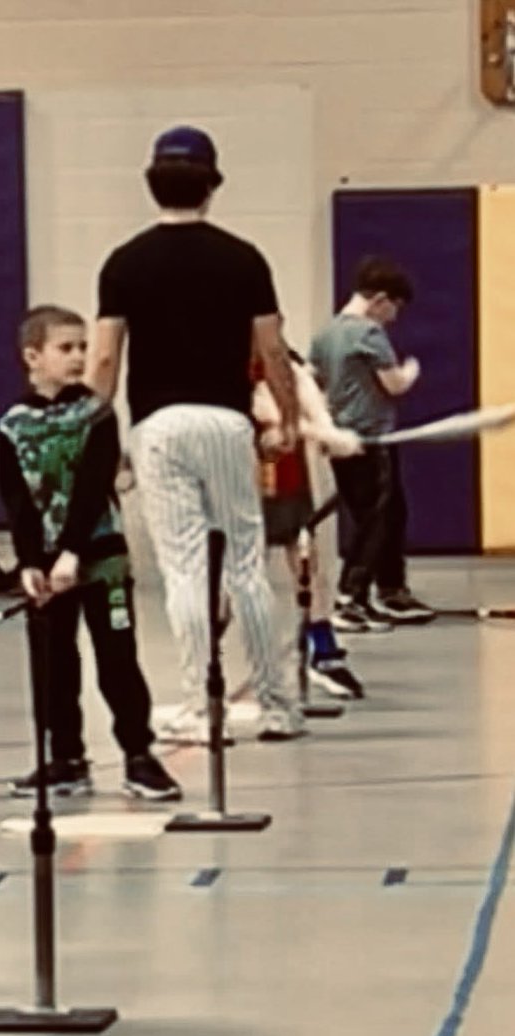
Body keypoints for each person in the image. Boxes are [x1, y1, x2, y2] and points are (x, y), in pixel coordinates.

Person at [88, 125, 305, 742]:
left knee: (184, 569)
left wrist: (98, 442)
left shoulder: (124, 262)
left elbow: (104, 363)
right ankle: (277, 704)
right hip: (228, 422)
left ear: (152, 184)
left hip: (160, 425)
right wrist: (286, 418)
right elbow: (273, 350)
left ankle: (199, 701)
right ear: (212, 185)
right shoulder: (243, 258)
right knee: (244, 564)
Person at [0, 305, 182, 801]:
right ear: (32, 356)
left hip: (100, 560)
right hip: (47, 569)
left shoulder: (97, 414)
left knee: (117, 659)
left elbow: (93, 484)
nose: (79, 356)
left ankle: (139, 756)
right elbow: (16, 502)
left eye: (83, 347)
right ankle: (66, 759)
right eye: (66, 348)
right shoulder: (11, 426)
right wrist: (31, 563)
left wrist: (73, 551)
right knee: (54, 666)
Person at [308, 255, 434, 630]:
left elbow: (314, 383)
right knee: (376, 522)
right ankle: (351, 597)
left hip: (342, 442)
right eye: (393, 308)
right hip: (371, 441)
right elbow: (393, 384)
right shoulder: (369, 333)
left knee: (385, 516)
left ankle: (390, 591)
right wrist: (411, 370)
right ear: (380, 299)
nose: (393, 318)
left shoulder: (326, 334)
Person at [252, 347, 366, 700]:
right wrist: (323, 435)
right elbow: (266, 410)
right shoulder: (222, 354)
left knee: (306, 563)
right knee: (233, 579)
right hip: (241, 480)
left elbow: (304, 390)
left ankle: (325, 651)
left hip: (286, 479)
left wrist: (329, 431)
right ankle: (212, 678)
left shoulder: (283, 360)